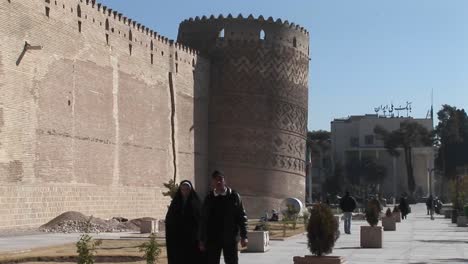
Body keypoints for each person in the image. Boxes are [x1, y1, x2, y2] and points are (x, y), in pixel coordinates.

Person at [199, 170, 248, 264]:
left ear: (225, 181)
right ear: (212, 182)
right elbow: (203, 220)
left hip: (230, 237)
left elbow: (242, 217)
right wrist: (202, 239)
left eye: (220, 179)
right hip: (212, 238)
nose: (218, 182)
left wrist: (244, 236)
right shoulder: (209, 198)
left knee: (232, 261)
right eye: (215, 180)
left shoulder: (234, 196)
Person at [165, 180, 202, 264]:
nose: (185, 191)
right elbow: (169, 219)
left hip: (193, 239)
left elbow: (201, 220)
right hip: (178, 239)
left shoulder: (196, 203)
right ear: (180, 190)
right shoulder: (176, 203)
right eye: (183, 189)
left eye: (187, 189)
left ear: (191, 190)